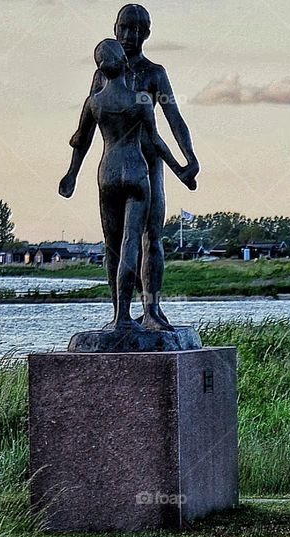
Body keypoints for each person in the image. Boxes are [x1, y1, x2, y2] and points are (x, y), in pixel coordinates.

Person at [59, 39, 195, 331]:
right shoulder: (136, 99)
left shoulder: (103, 98)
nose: (130, 34)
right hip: (135, 170)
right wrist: (180, 169)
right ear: (122, 62)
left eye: (135, 28)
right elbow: (155, 140)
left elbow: (81, 138)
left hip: (117, 172)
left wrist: (72, 174)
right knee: (125, 243)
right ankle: (124, 314)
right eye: (124, 28)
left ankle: (135, 313)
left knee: (131, 242)